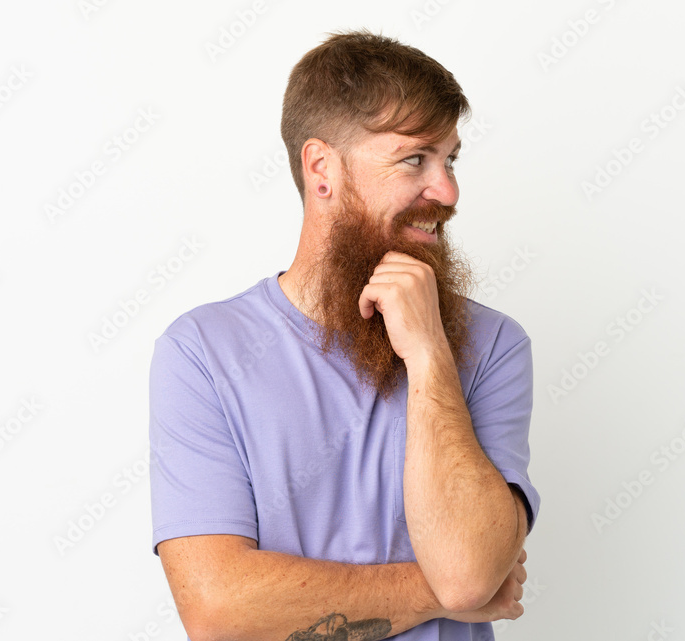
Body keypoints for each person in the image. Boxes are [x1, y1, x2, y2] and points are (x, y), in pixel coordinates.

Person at [148, 28, 541, 641]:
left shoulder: (494, 347)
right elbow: (219, 610)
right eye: (416, 158)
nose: (448, 191)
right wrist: (436, 590)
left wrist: (431, 353)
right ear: (322, 167)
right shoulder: (203, 352)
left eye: (451, 159)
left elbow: (468, 577)